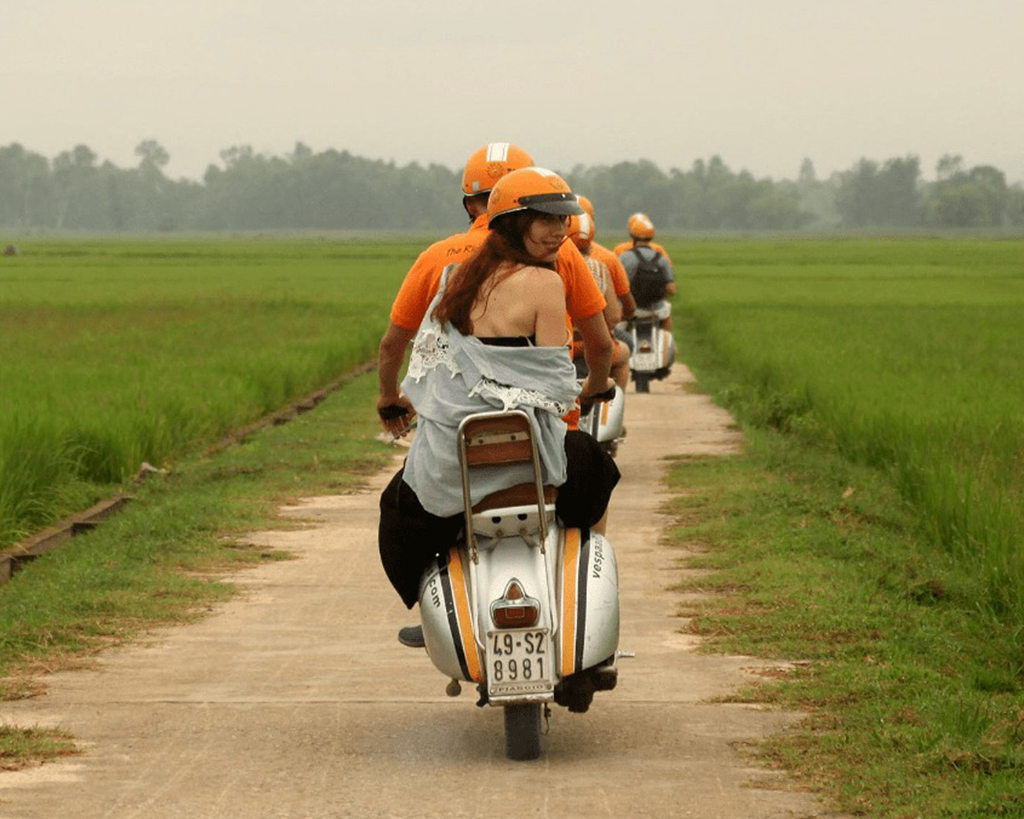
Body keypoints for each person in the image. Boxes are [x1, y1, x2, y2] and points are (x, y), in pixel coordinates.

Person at [378, 168, 620, 643]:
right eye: (545, 219)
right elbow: (554, 383)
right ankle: (583, 592)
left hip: (454, 461)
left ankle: (438, 615)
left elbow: (422, 362)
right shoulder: (546, 285)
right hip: (529, 461)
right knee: (595, 464)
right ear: (511, 222)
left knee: (396, 505)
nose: (560, 230)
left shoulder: (452, 276)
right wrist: (591, 386)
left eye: (564, 219)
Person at [377, 143, 612, 437]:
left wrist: (389, 397)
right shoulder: (557, 256)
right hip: (537, 429)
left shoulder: (439, 260)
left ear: (470, 205)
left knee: (412, 483)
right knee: (595, 471)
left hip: (455, 428)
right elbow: (598, 344)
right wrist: (597, 384)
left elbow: (392, 345)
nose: (558, 231)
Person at [565, 212, 631, 390]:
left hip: (560, 347)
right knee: (624, 352)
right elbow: (613, 317)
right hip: (590, 344)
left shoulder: (547, 267)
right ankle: (612, 406)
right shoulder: (600, 267)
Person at [616, 212, 676, 330]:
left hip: (630, 310)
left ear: (632, 234)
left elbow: (615, 286)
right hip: (656, 310)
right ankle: (667, 345)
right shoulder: (660, 256)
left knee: (615, 330)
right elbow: (671, 289)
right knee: (667, 310)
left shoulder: (623, 256)